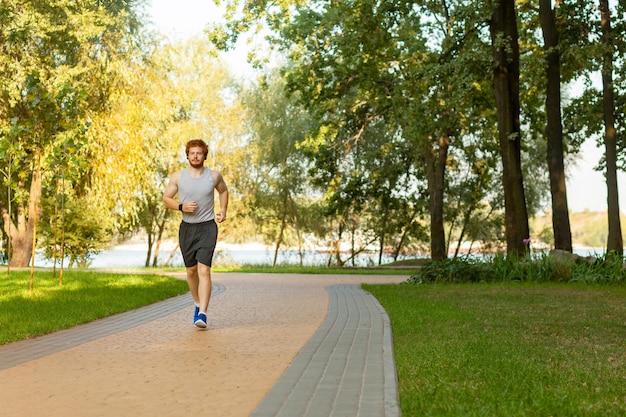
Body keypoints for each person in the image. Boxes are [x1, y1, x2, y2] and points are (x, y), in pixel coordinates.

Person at [163, 139, 229, 328]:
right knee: (191, 271)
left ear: (204, 155)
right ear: (187, 155)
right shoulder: (178, 177)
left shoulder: (214, 176)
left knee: (204, 270)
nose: (195, 156)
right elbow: (166, 198)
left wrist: (223, 210)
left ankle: (203, 314)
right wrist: (181, 206)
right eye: (192, 153)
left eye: (199, 153)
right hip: (187, 228)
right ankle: (197, 303)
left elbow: (223, 191)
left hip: (207, 227)